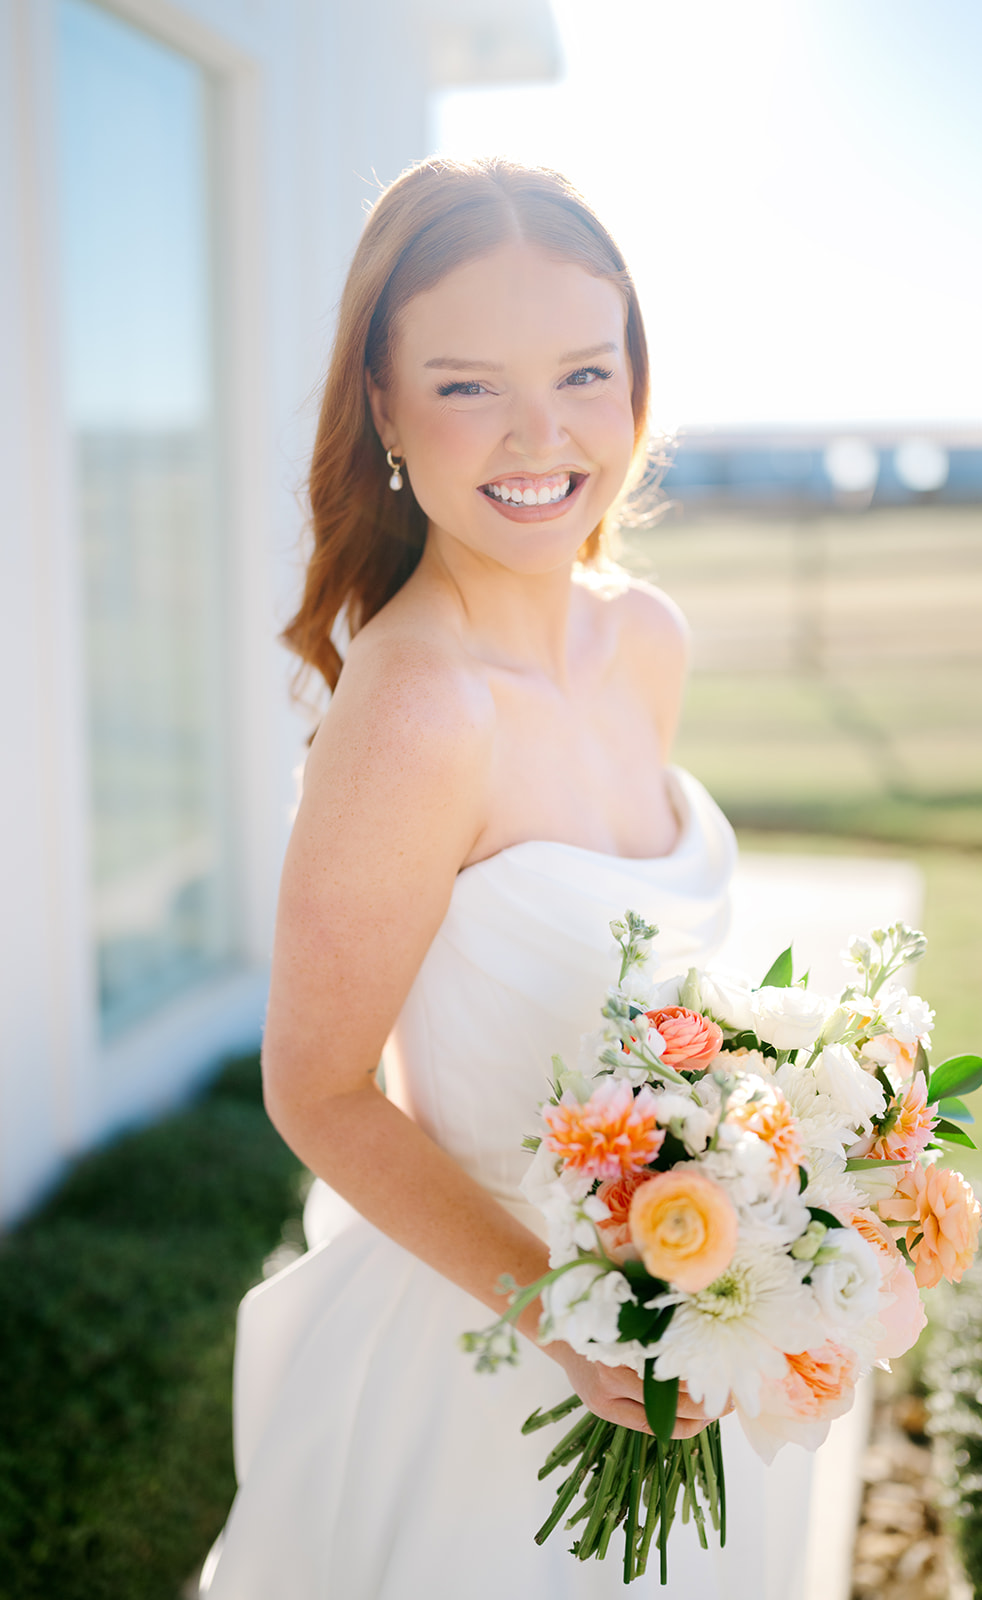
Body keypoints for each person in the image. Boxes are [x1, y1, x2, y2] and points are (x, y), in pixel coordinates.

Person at [200, 156, 814, 1600]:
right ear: (383, 406)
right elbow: (323, 1088)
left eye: (586, 373)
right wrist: (569, 1314)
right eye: (470, 384)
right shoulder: (414, 711)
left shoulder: (646, 637)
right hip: (505, 1356)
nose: (542, 434)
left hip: (694, 1320)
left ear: (639, 383)